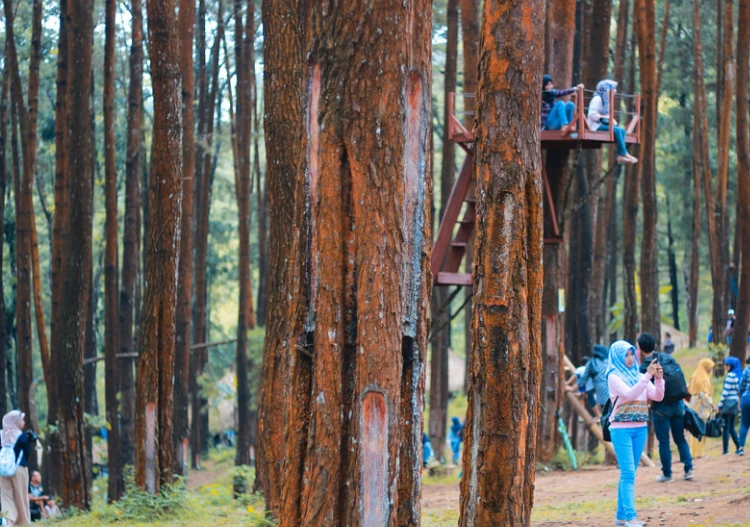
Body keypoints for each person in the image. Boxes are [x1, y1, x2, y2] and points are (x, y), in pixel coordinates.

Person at [607, 340, 664, 527]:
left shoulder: (638, 375)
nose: (630, 358)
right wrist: (647, 377)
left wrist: (658, 379)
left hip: (640, 428)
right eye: (626, 355)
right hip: (620, 430)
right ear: (617, 357)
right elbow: (631, 394)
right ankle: (631, 519)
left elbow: (657, 396)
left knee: (629, 474)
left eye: (632, 354)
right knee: (628, 473)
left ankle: (620, 518)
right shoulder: (613, 377)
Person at [637, 332, 693, 481]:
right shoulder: (668, 358)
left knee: (664, 441)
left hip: (660, 407)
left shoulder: (644, 367)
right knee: (680, 438)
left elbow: (644, 389)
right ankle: (689, 469)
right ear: (655, 344)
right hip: (678, 404)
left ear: (640, 348)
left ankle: (667, 474)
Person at [587, 79, 637, 165]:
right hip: (594, 126)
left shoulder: (606, 101)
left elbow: (605, 117)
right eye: (613, 88)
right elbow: (593, 115)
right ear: (607, 89)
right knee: (617, 130)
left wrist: (610, 121)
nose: (615, 91)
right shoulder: (597, 99)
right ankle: (624, 153)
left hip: (601, 124)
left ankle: (621, 155)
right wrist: (607, 118)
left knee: (621, 130)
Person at [0, 411, 32, 526]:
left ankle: (8, 522)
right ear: (15, 421)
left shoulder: (1, 435)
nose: (23, 422)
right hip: (19, 469)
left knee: (6, 496)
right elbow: (27, 453)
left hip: (2, 470)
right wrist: (29, 440)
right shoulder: (21, 436)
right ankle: (23, 522)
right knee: (21, 496)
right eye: (21, 420)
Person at [687, 358, 716, 458]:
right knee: (701, 430)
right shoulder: (703, 378)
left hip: (694, 406)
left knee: (695, 430)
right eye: (710, 367)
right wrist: (712, 404)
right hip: (701, 408)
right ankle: (698, 453)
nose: (711, 369)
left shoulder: (696, 375)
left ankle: (694, 452)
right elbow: (704, 394)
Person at [718, 356, 742, 454]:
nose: (725, 366)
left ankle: (726, 450)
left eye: (727, 364)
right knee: (731, 427)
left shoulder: (730, 376)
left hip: (728, 403)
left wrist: (720, 405)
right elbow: (738, 391)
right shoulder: (737, 376)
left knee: (726, 428)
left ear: (731, 365)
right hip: (734, 404)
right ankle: (738, 446)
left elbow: (725, 392)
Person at [578, 344, 610, 415]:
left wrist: (580, 387)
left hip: (602, 396)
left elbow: (584, 378)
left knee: (606, 415)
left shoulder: (592, 362)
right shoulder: (609, 361)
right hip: (614, 394)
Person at [738, 360, 750, 456]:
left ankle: (741, 448)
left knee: (744, 424)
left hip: (746, 399)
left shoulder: (746, 371)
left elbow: (741, 386)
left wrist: (740, 398)